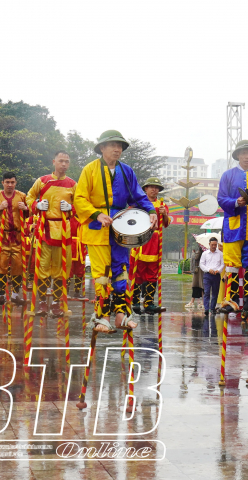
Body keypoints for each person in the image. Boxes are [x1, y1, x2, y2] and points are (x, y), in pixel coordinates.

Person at [73, 130, 156, 333]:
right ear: (102, 148)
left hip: (121, 227)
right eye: (112, 145)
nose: (117, 149)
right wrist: (96, 214)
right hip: (96, 228)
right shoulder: (90, 169)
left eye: (120, 146)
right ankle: (100, 316)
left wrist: (151, 211)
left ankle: (121, 314)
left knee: (121, 271)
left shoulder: (127, 171)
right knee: (102, 273)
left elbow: (138, 196)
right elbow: (80, 198)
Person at [217, 140, 248, 314]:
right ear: (238, 155)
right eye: (244, 153)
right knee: (231, 263)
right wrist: (236, 202)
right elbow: (221, 199)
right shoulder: (227, 175)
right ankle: (229, 299)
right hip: (233, 226)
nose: (247, 156)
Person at [26, 151, 77, 316]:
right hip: (44, 229)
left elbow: (80, 205)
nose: (64, 164)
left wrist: (71, 208)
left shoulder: (72, 184)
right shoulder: (42, 181)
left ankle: (56, 303)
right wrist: (37, 205)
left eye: (67, 162)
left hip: (64, 231)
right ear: (54, 161)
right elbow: (29, 197)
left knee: (62, 268)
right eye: (61, 161)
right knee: (43, 267)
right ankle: (42, 302)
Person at [0, 172, 30, 306]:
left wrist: (26, 208)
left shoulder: (22, 196)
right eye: (7, 182)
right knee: (1, 265)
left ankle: (15, 294)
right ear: (2, 183)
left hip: (17, 236)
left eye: (12, 182)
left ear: (16, 183)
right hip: (2, 236)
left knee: (18, 265)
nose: (10, 185)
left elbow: (30, 213)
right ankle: (0, 294)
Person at [130, 177, 170, 315]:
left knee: (153, 274)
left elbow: (166, 224)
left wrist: (164, 214)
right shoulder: (139, 203)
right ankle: (135, 301)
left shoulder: (162, 205)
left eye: (157, 187)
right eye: (151, 187)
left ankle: (149, 303)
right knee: (138, 272)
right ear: (145, 189)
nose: (154, 189)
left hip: (155, 241)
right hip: (141, 239)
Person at [199, 237, 223, 314]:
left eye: (215, 245)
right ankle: (206, 309)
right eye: (212, 244)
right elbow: (201, 264)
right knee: (207, 292)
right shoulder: (205, 253)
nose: (214, 246)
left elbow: (222, 264)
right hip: (207, 275)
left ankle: (212, 308)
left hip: (216, 275)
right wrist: (208, 269)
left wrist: (218, 270)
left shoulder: (220, 254)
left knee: (215, 292)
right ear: (209, 244)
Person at [69, 213, 88, 299]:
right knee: (69, 270)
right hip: (71, 247)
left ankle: (77, 291)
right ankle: (66, 291)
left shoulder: (85, 221)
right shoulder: (70, 220)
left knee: (80, 271)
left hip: (81, 248)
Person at [188, 243, 204, 311]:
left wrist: (193, 253)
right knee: (201, 286)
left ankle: (192, 302)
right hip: (201, 271)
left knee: (197, 286)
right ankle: (202, 302)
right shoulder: (204, 251)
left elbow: (196, 258)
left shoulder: (200, 251)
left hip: (198, 272)